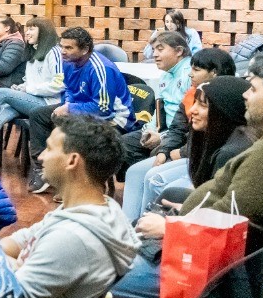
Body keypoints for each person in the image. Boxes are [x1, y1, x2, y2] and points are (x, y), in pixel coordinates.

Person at [114, 53, 263, 298]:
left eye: (254, 89)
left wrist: (171, 228)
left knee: (95, 274)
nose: (246, 95)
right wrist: (188, 211)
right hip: (218, 256)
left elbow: (238, 228)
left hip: (232, 277)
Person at [2, 116, 139, 298]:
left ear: (72, 160)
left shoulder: (72, 238)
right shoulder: (96, 209)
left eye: (49, 148)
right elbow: (17, 241)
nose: (41, 156)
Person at [121, 48, 236, 221]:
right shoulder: (192, 94)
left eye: (196, 70)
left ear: (214, 73)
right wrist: (164, 152)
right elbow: (177, 128)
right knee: (135, 172)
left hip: (204, 158)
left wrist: (181, 152)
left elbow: (215, 138)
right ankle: (131, 226)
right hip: (188, 151)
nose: (190, 74)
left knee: (155, 179)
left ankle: (149, 232)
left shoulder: (228, 98)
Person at [26, 27, 134, 194]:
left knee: (73, 133)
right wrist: (67, 104)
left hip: (116, 117)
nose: (62, 52)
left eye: (69, 48)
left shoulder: (101, 68)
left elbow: (103, 109)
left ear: (85, 50)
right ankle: (43, 170)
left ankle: (79, 185)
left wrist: (70, 108)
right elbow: (68, 89)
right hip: (82, 108)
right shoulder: (68, 61)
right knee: (38, 115)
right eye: (62, 46)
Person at [0, 17, 65, 138]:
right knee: (5, 110)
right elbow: (30, 81)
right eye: (27, 29)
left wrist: (29, 89)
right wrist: (21, 87)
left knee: (3, 93)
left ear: (44, 31)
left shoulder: (54, 52)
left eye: (31, 29)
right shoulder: (32, 52)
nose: (27, 33)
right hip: (32, 98)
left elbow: (59, 84)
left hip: (50, 103)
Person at [126, 30, 193, 169]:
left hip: (180, 135)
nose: (155, 55)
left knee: (155, 154)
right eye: (153, 50)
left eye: (160, 50)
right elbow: (159, 109)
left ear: (179, 51)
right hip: (162, 130)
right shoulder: (165, 75)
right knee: (123, 144)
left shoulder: (190, 75)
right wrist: (149, 131)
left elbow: (186, 123)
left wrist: (162, 137)